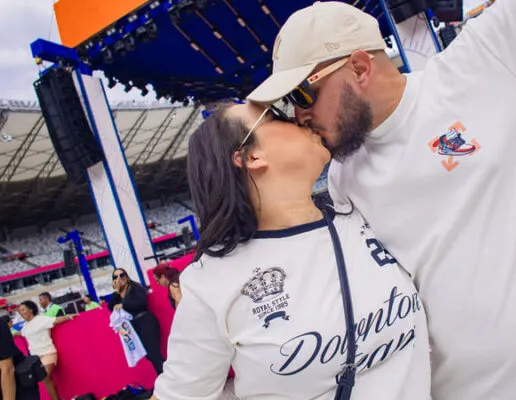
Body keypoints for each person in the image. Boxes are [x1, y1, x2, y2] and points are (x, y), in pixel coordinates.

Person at [247, 1, 516, 399]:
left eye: (302, 94)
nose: (299, 115)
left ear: (361, 68)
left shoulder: (486, 60)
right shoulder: (342, 177)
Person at [151, 102, 430, 400]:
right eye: (276, 116)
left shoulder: (360, 210)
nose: (299, 118)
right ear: (251, 156)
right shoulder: (211, 282)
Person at [107, 268, 164, 375]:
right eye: (115, 277)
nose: (119, 278)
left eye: (122, 275)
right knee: (148, 355)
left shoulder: (135, 287)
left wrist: (123, 305)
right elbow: (110, 307)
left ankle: (167, 376)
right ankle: (164, 376)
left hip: (145, 321)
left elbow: (141, 303)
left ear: (126, 276)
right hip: (133, 328)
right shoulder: (118, 294)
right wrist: (116, 291)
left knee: (154, 353)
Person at [18, 301, 71, 400]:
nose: (21, 313)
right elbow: (21, 333)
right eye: (19, 311)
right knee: (46, 380)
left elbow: (55, 320)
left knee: (45, 377)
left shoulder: (41, 319)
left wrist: (67, 316)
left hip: (48, 353)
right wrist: (13, 335)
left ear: (31, 310)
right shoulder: (25, 326)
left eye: (23, 310)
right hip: (35, 359)